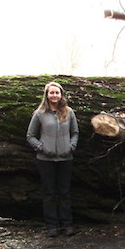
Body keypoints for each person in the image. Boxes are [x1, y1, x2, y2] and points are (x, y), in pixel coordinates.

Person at [27, 81, 79, 237]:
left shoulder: (69, 112)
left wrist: (71, 147)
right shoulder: (40, 113)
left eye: (57, 93)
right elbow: (30, 136)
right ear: (47, 95)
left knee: (64, 192)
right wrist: (42, 148)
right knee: (49, 193)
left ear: (61, 95)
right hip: (45, 160)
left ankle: (67, 224)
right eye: (52, 93)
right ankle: (52, 226)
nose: (54, 95)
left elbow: (75, 133)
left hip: (65, 158)